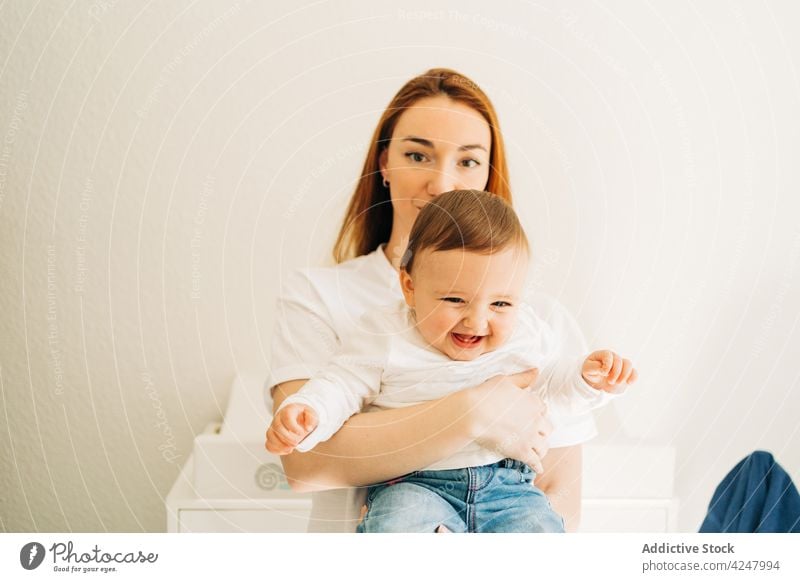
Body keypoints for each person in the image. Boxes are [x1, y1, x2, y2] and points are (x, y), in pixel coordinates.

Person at [267, 68, 604, 533]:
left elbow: (560, 489)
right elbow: (306, 464)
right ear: (384, 164)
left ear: (488, 176)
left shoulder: (535, 320)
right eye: (417, 155)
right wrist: (474, 411)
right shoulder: (320, 297)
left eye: (467, 161)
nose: (442, 183)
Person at [266, 190, 637, 532]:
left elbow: (552, 388)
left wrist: (588, 380)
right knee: (398, 528)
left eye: (500, 304)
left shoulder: (528, 332)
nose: (476, 321)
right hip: (414, 484)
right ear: (409, 286)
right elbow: (341, 384)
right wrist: (309, 411)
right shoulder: (384, 334)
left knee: (540, 532)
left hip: (509, 488)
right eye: (454, 301)